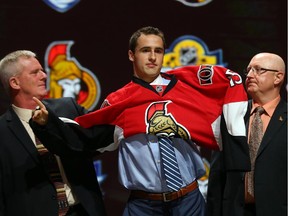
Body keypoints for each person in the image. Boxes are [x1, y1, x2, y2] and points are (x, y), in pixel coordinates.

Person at [31, 26, 249, 216]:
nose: (153, 57)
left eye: (158, 50)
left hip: (189, 201)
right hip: (144, 206)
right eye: (145, 50)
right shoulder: (119, 102)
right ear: (131, 55)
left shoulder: (187, 90)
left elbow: (228, 90)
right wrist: (48, 123)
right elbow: (85, 139)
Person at [0, 50, 115, 216]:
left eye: (42, 70)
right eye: (35, 72)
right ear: (15, 83)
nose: (44, 75)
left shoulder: (69, 108)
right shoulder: (2, 131)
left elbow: (98, 138)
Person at [206, 52, 287, 216]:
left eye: (258, 70)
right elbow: (217, 175)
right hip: (234, 210)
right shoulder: (230, 115)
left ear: (278, 77)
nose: (250, 75)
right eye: (249, 70)